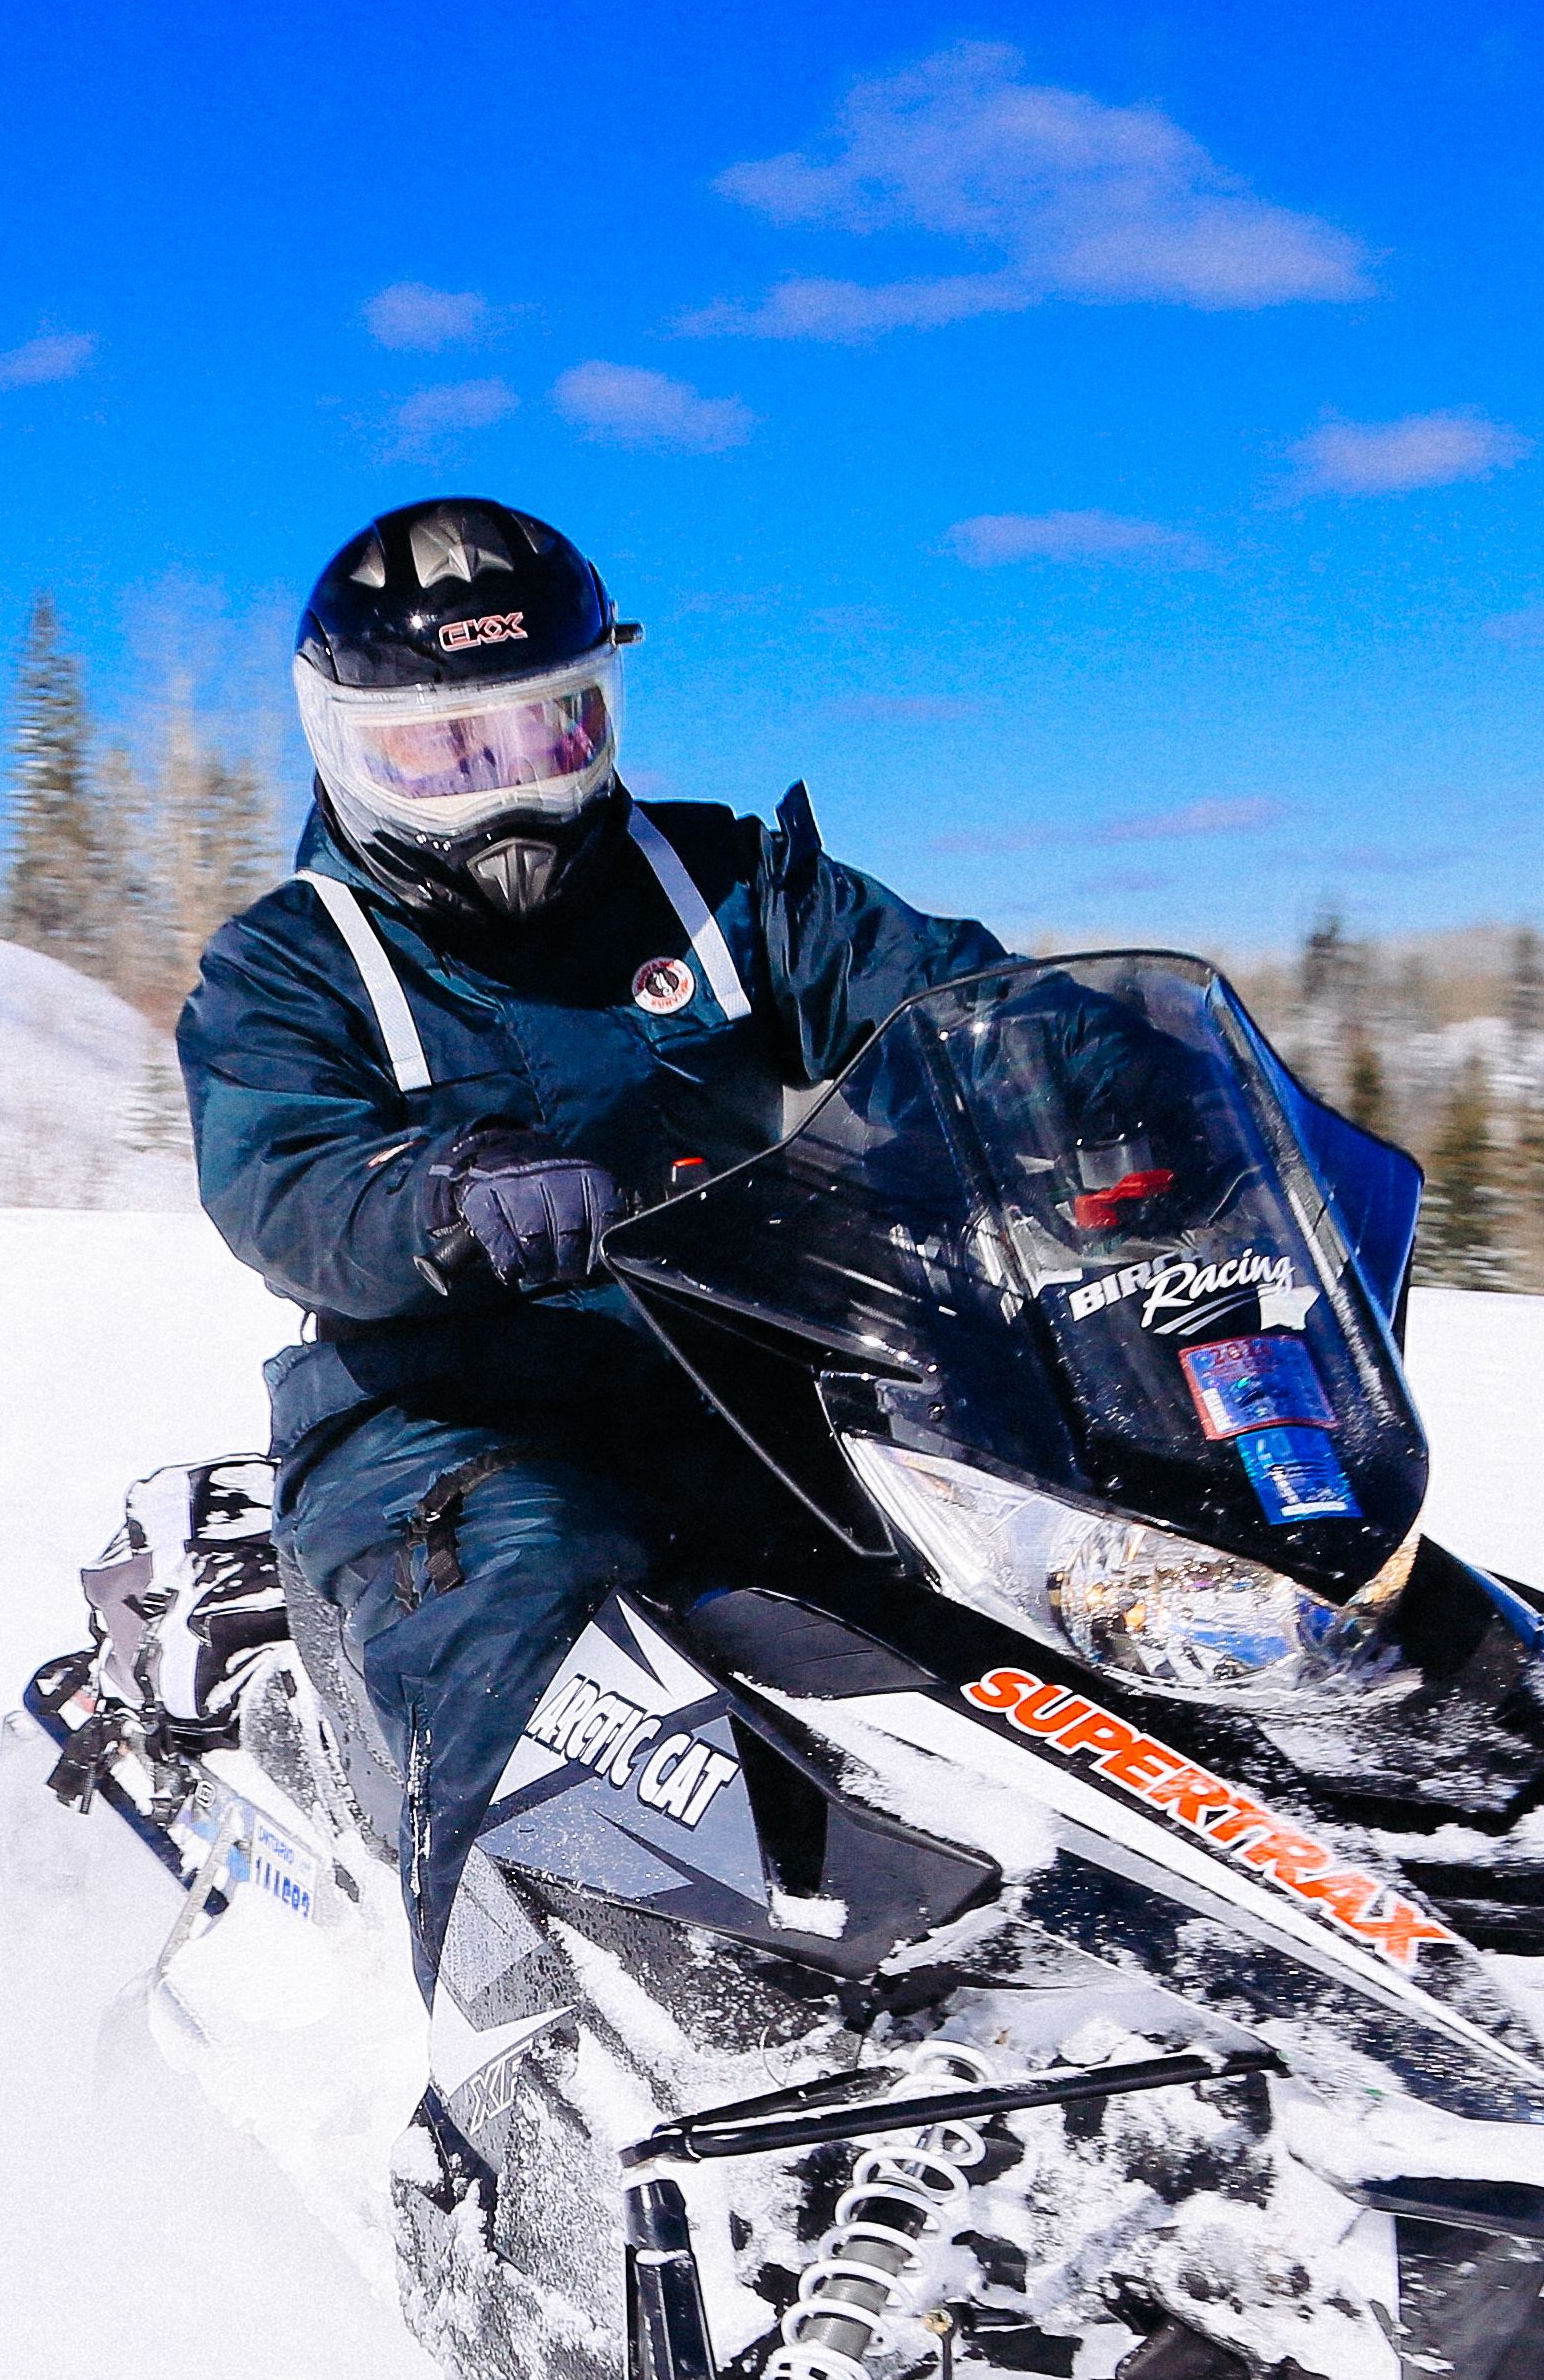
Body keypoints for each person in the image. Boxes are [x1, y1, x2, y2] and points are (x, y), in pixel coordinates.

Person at [174, 499, 1022, 2148]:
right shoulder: (293, 962)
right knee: (532, 1591)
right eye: (443, 754)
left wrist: (1090, 1087)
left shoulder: (732, 889)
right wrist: (444, 1191)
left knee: (1040, 1585)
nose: (508, 794)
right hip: (449, 1425)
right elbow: (279, 1172)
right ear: (347, 753)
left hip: (765, 1387)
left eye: (548, 732)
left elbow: (956, 1008)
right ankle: (520, 2109)